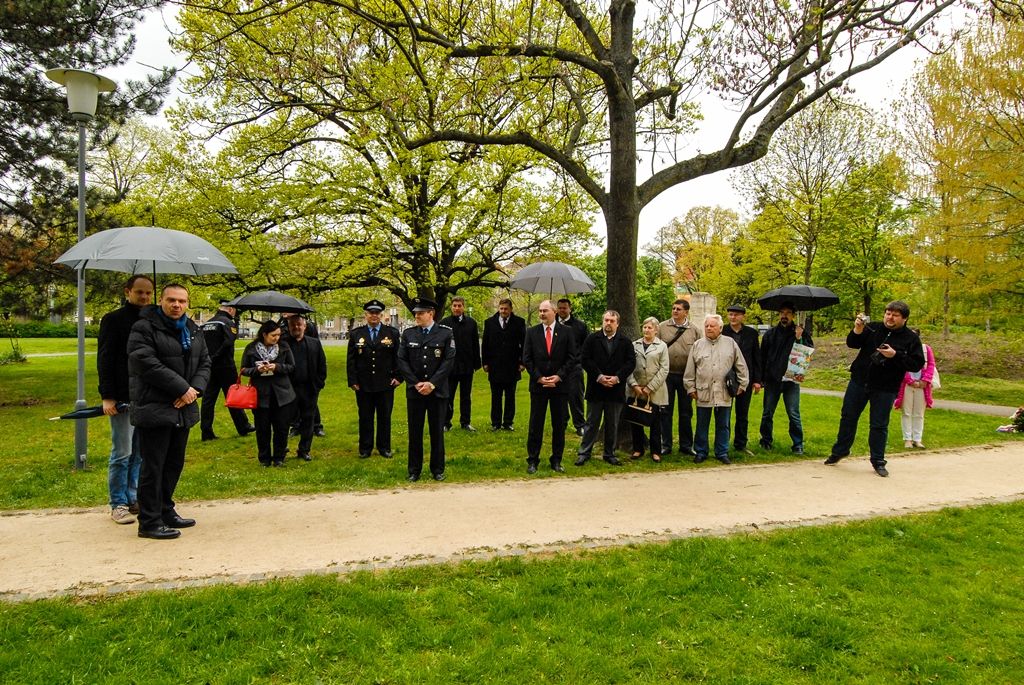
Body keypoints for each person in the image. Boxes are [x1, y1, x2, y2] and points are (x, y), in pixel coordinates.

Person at [128, 283, 211, 540]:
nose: (177, 305)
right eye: (172, 300)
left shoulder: (193, 330)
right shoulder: (144, 328)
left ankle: (165, 508)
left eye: (182, 301)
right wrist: (180, 388)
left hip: (183, 407)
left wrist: (194, 390)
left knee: (174, 463)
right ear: (161, 301)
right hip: (155, 406)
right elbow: (145, 362)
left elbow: (205, 362)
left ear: (188, 304)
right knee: (153, 466)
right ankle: (149, 521)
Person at [825, 301, 925, 477]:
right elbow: (852, 343)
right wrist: (857, 329)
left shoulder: (911, 338)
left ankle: (878, 460)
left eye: (895, 315)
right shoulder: (872, 327)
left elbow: (916, 364)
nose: (890, 317)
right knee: (848, 416)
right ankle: (840, 451)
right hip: (859, 381)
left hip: (885, 387)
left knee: (879, 424)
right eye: (887, 313)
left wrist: (895, 355)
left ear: (905, 318)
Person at [97, 274, 154, 525]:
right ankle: (117, 502)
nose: (144, 297)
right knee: (122, 451)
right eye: (139, 292)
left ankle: (132, 497)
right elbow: (106, 359)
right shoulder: (113, 320)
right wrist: (107, 396)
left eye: (148, 293)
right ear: (127, 292)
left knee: (140, 453)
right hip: (121, 395)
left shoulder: (153, 319)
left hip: (146, 396)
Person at [397, 297, 456, 481]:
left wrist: (432, 383)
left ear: (431, 314)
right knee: (415, 432)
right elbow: (401, 360)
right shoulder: (408, 334)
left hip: (437, 391)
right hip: (415, 391)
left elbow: (448, 361)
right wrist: (416, 383)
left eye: (421, 313)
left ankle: (437, 469)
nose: (417, 316)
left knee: (437, 431)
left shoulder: (445, 334)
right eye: (416, 313)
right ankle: (414, 470)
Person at [522, 299, 579, 473]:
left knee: (559, 424)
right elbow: (527, 358)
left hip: (559, 387)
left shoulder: (567, 332)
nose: (541, 314)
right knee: (535, 424)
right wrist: (539, 378)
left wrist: (558, 377)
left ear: (554, 311)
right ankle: (533, 460)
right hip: (539, 387)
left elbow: (572, 357)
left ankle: (556, 460)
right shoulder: (532, 332)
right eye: (540, 311)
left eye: (545, 310)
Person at [684, 314, 749, 464]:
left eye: (712, 326)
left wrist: (742, 384)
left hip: (724, 391)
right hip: (703, 391)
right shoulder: (698, 345)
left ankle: (722, 452)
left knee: (723, 424)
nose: (708, 328)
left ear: (720, 328)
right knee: (702, 424)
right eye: (706, 326)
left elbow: (741, 366)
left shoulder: (730, 343)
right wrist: (690, 387)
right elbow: (690, 369)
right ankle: (701, 451)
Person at [575, 310, 635, 467]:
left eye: (611, 321)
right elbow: (585, 359)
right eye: (606, 320)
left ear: (617, 323)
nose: (608, 323)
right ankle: (584, 452)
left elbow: (630, 363)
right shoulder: (592, 339)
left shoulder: (625, 342)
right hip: (596, 388)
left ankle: (609, 453)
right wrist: (599, 376)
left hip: (615, 390)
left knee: (612, 423)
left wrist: (617, 378)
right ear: (603, 321)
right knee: (591, 423)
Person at [346, 299, 401, 458]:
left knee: (385, 417)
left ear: (381, 315)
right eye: (371, 313)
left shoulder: (392, 333)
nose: (374, 316)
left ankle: (384, 447)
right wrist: (353, 381)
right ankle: (365, 448)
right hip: (363, 385)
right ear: (366, 315)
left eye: (377, 313)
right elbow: (351, 360)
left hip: (385, 383)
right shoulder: (356, 334)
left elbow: (398, 357)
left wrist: (398, 377)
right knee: (365, 417)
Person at [240, 320, 297, 467]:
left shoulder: (284, 347)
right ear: (264, 334)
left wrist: (276, 367)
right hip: (260, 394)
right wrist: (257, 370)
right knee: (262, 429)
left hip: (282, 394)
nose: (276, 338)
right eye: (273, 335)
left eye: (278, 335)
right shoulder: (251, 348)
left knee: (281, 428)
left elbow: (291, 367)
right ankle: (264, 459)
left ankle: (279, 457)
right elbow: (243, 369)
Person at [758, 304, 813, 455]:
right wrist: (761, 378)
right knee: (767, 412)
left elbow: (807, 354)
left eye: (788, 313)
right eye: (782, 312)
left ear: (793, 315)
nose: (784, 315)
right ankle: (766, 441)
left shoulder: (801, 333)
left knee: (793, 413)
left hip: (791, 381)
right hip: (772, 379)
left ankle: (798, 444)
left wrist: (799, 338)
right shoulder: (770, 334)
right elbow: (762, 357)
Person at [199, 302, 255, 441]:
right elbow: (229, 342)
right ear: (231, 309)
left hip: (209, 366)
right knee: (233, 396)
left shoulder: (206, 324)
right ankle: (243, 426)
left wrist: (208, 359)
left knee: (208, 399)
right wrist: (216, 356)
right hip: (225, 365)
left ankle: (206, 431)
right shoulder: (227, 323)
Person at [658, 298, 701, 456]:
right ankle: (666, 444)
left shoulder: (694, 330)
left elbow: (698, 352)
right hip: (667, 375)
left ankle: (686, 445)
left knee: (685, 412)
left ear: (686, 312)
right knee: (665, 411)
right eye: (673, 308)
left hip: (686, 376)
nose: (675, 311)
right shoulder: (662, 327)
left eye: (678, 309)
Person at [283, 315, 327, 461]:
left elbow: (322, 364)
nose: (296, 327)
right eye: (293, 325)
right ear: (289, 327)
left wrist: (318, 384)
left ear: (304, 326)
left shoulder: (314, 343)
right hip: (288, 389)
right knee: (284, 420)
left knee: (309, 419)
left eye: (298, 324)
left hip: (309, 388)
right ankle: (281, 448)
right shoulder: (283, 344)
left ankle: (304, 450)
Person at [626, 316, 670, 462]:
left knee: (655, 421)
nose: (646, 330)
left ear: (656, 330)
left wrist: (650, 387)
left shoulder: (662, 346)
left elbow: (664, 369)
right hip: (636, 390)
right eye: (644, 327)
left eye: (650, 327)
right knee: (636, 419)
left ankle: (656, 451)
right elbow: (628, 366)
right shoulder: (634, 345)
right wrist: (634, 385)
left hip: (655, 390)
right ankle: (638, 449)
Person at [722, 304, 762, 457]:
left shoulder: (751, 333)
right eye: (730, 314)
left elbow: (756, 356)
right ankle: (723, 444)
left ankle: (740, 444)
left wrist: (757, 380)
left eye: (736, 315)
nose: (733, 317)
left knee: (742, 413)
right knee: (725, 412)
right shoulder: (723, 331)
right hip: (726, 376)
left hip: (746, 377)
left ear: (743, 316)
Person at [481, 298, 526, 431]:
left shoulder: (519, 322)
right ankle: (495, 423)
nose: (503, 311)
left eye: (506, 309)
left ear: (511, 309)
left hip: (512, 365)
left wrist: (522, 362)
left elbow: (524, 344)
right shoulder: (489, 322)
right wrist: (485, 362)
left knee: (510, 396)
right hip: (494, 365)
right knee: (496, 396)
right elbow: (485, 344)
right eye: (501, 309)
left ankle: (508, 422)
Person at [439, 296, 481, 432]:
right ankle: (446, 422)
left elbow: (475, 344)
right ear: (451, 307)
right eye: (454, 306)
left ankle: (465, 422)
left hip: (467, 366)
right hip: (450, 367)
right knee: (448, 396)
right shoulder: (444, 323)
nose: (457, 308)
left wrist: (477, 363)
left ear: (463, 307)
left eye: (459, 306)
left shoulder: (471, 323)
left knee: (466, 396)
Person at [894, 329, 937, 449]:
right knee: (906, 412)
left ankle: (917, 439)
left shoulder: (925, 349)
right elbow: (900, 365)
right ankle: (907, 439)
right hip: (907, 385)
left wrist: (925, 380)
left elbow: (931, 364)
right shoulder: (902, 348)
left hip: (922, 385)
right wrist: (910, 381)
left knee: (919, 413)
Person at [556, 298, 590, 435]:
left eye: (565, 308)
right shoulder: (552, 325)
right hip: (557, 368)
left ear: (570, 309)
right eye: (560, 308)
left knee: (576, 397)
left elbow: (586, 346)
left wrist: (578, 360)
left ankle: (580, 424)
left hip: (575, 367)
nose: (562, 310)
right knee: (559, 398)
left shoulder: (580, 326)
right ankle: (561, 423)